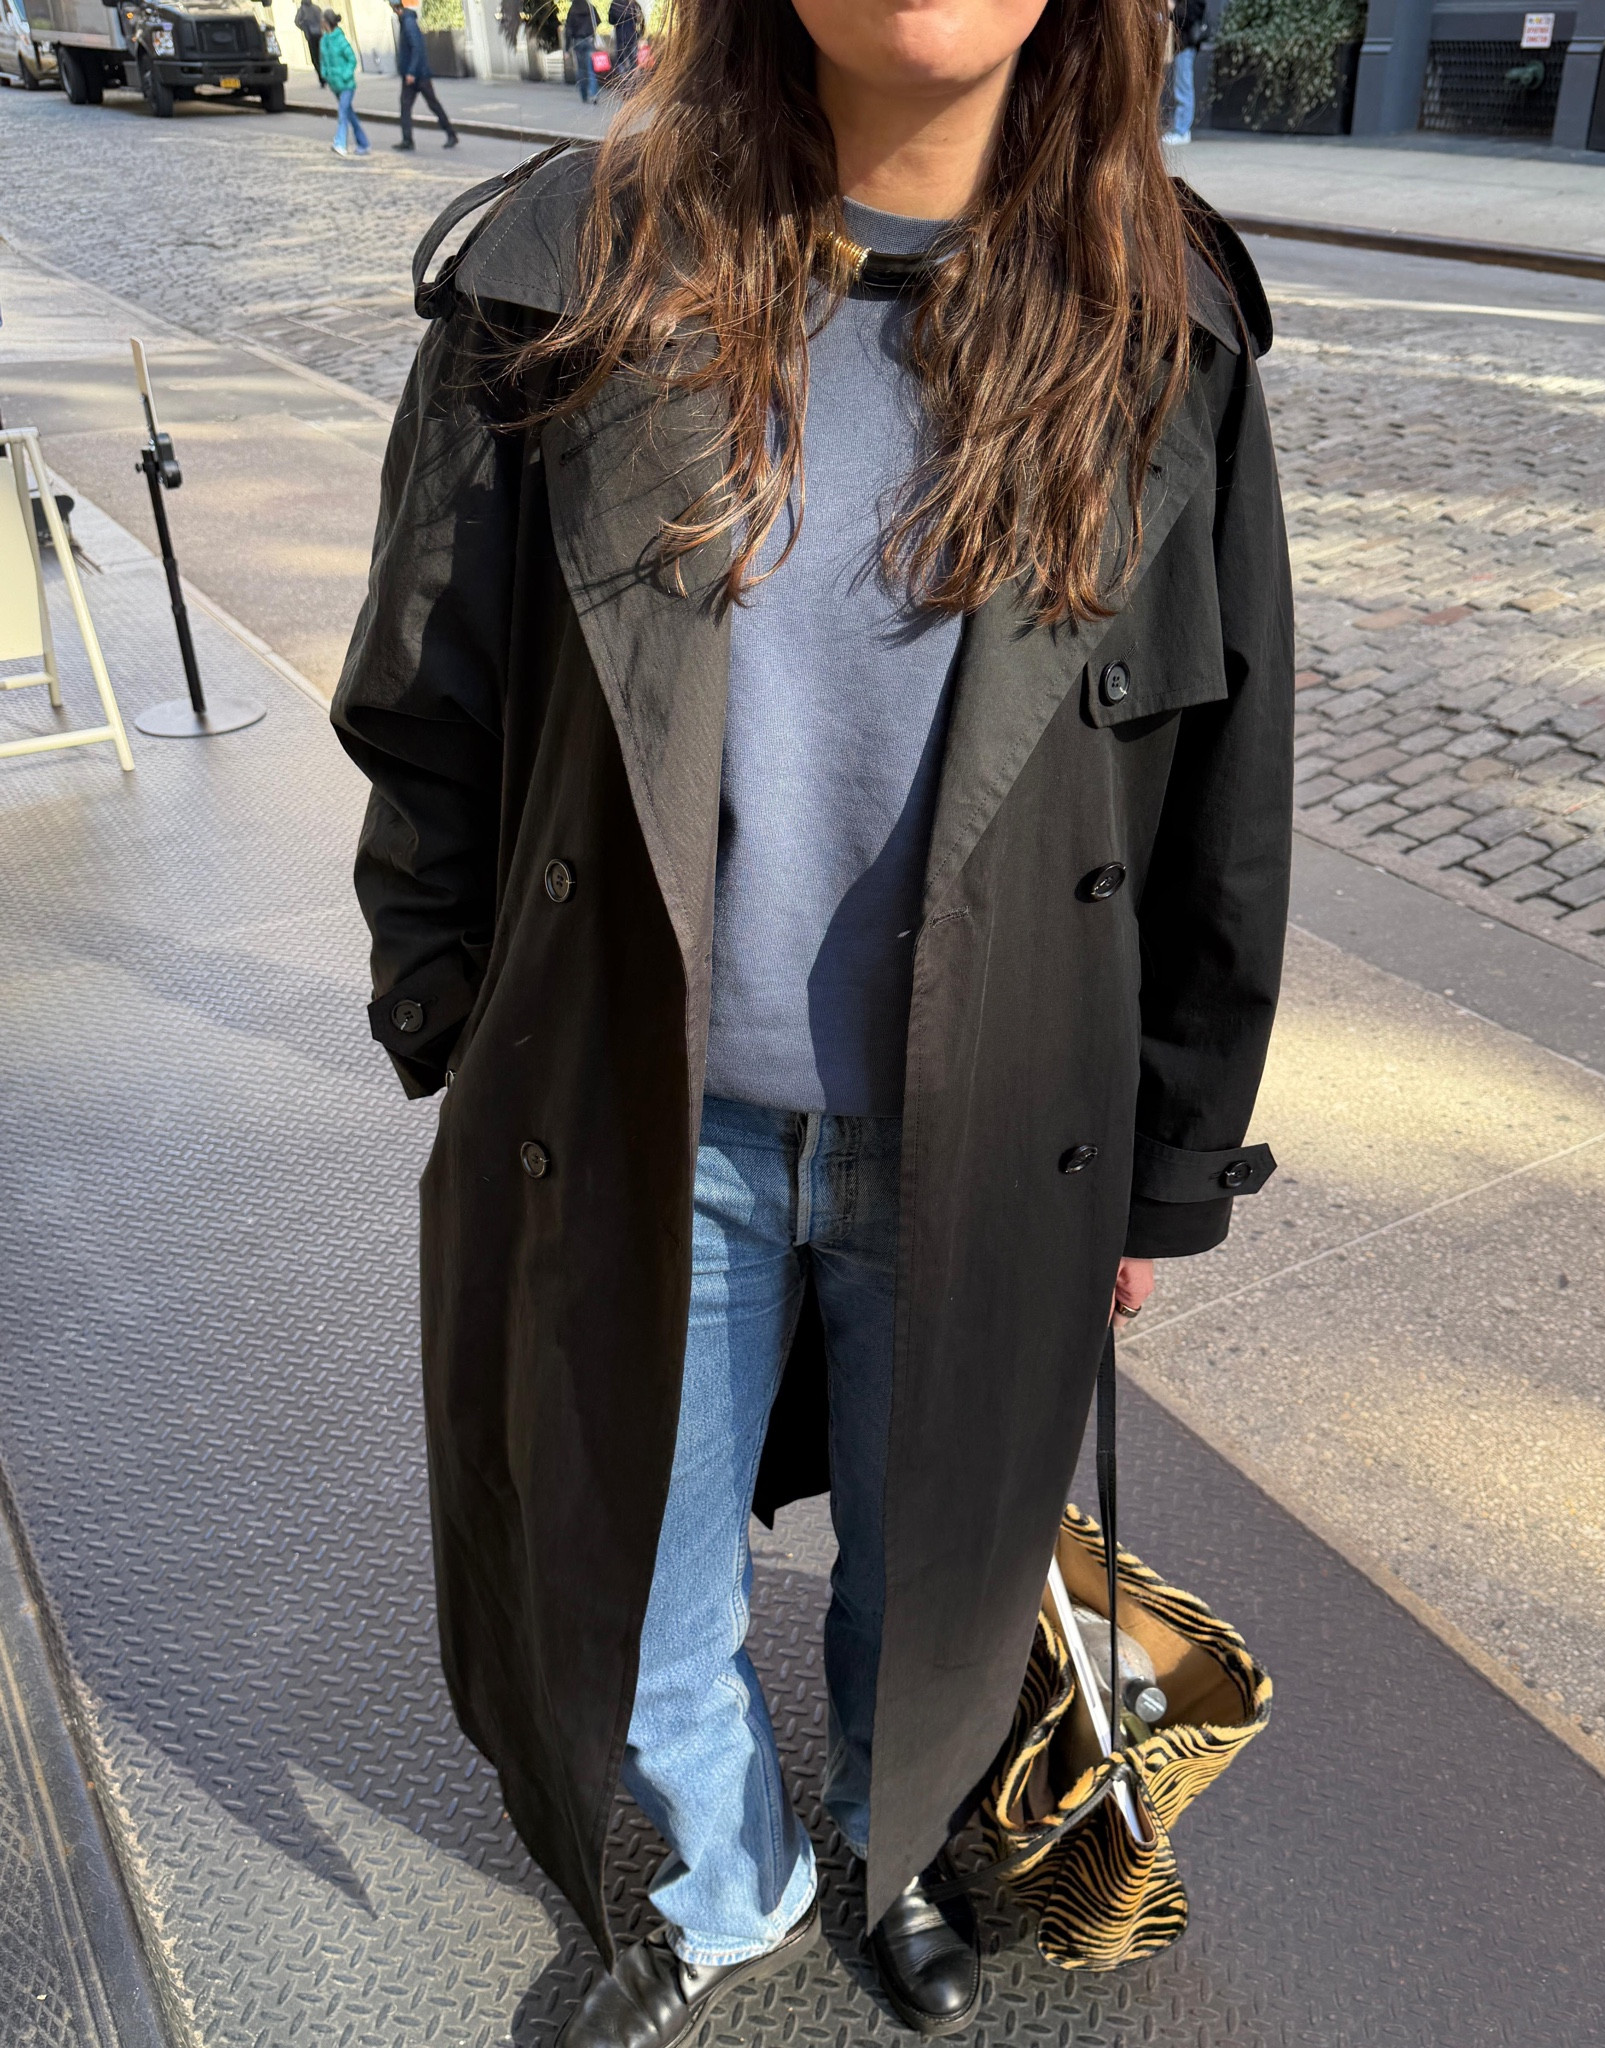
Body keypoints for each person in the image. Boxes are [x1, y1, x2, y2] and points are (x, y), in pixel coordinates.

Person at [332, 0, 1292, 2041]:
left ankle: (889, 1837)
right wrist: (449, 1019)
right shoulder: (560, 267)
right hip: (629, 1112)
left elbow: (1223, 785)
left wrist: (1165, 1158)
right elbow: (429, 683)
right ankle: (724, 1867)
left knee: (929, 1560)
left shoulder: (1164, 319)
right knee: (632, 1548)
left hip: (987, 1125)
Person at [388, 0, 457, 151]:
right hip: (412, 75)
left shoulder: (408, 22)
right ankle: (407, 140)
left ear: (396, 8)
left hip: (418, 76)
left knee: (433, 105)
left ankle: (451, 134)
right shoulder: (405, 21)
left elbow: (417, 48)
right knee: (406, 106)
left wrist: (411, 71)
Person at [318, 9, 369, 156]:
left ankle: (340, 143)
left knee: (342, 113)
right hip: (335, 85)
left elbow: (351, 59)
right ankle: (364, 143)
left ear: (327, 22)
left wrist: (345, 75)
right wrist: (325, 74)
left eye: (322, 20)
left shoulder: (340, 40)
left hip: (346, 85)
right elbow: (322, 60)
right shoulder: (324, 41)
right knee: (350, 115)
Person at [1164, 0, 1209, 143]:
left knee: (1183, 86)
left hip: (1186, 44)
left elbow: (1190, 16)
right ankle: (1180, 128)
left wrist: (1172, 7)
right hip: (1180, 44)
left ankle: (1182, 130)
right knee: (1181, 85)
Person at [563, 0, 599, 99]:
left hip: (578, 42)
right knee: (591, 69)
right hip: (590, 40)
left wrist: (567, 49)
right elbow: (598, 21)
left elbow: (569, 30)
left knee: (581, 69)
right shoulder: (590, 7)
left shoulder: (573, 9)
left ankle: (584, 94)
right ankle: (594, 94)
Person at [608, 0, 642, 80]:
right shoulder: (632, 3)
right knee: (633, 60)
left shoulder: (615, 4)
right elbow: (639, 19)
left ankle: (623, 81)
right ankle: (634, 83)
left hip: (620, 36)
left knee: (621, 60)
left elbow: (611, 20)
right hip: (632, 36)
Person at [294, 0, 324, 75]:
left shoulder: (301, 10)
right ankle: (325, 74)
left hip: (311, 36)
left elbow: (297, 21)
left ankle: (321, 77)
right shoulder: (317, 8)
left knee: (315, 58)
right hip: (320, 34)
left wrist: (304, 28)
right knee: (322, 56)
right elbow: (323, 19)